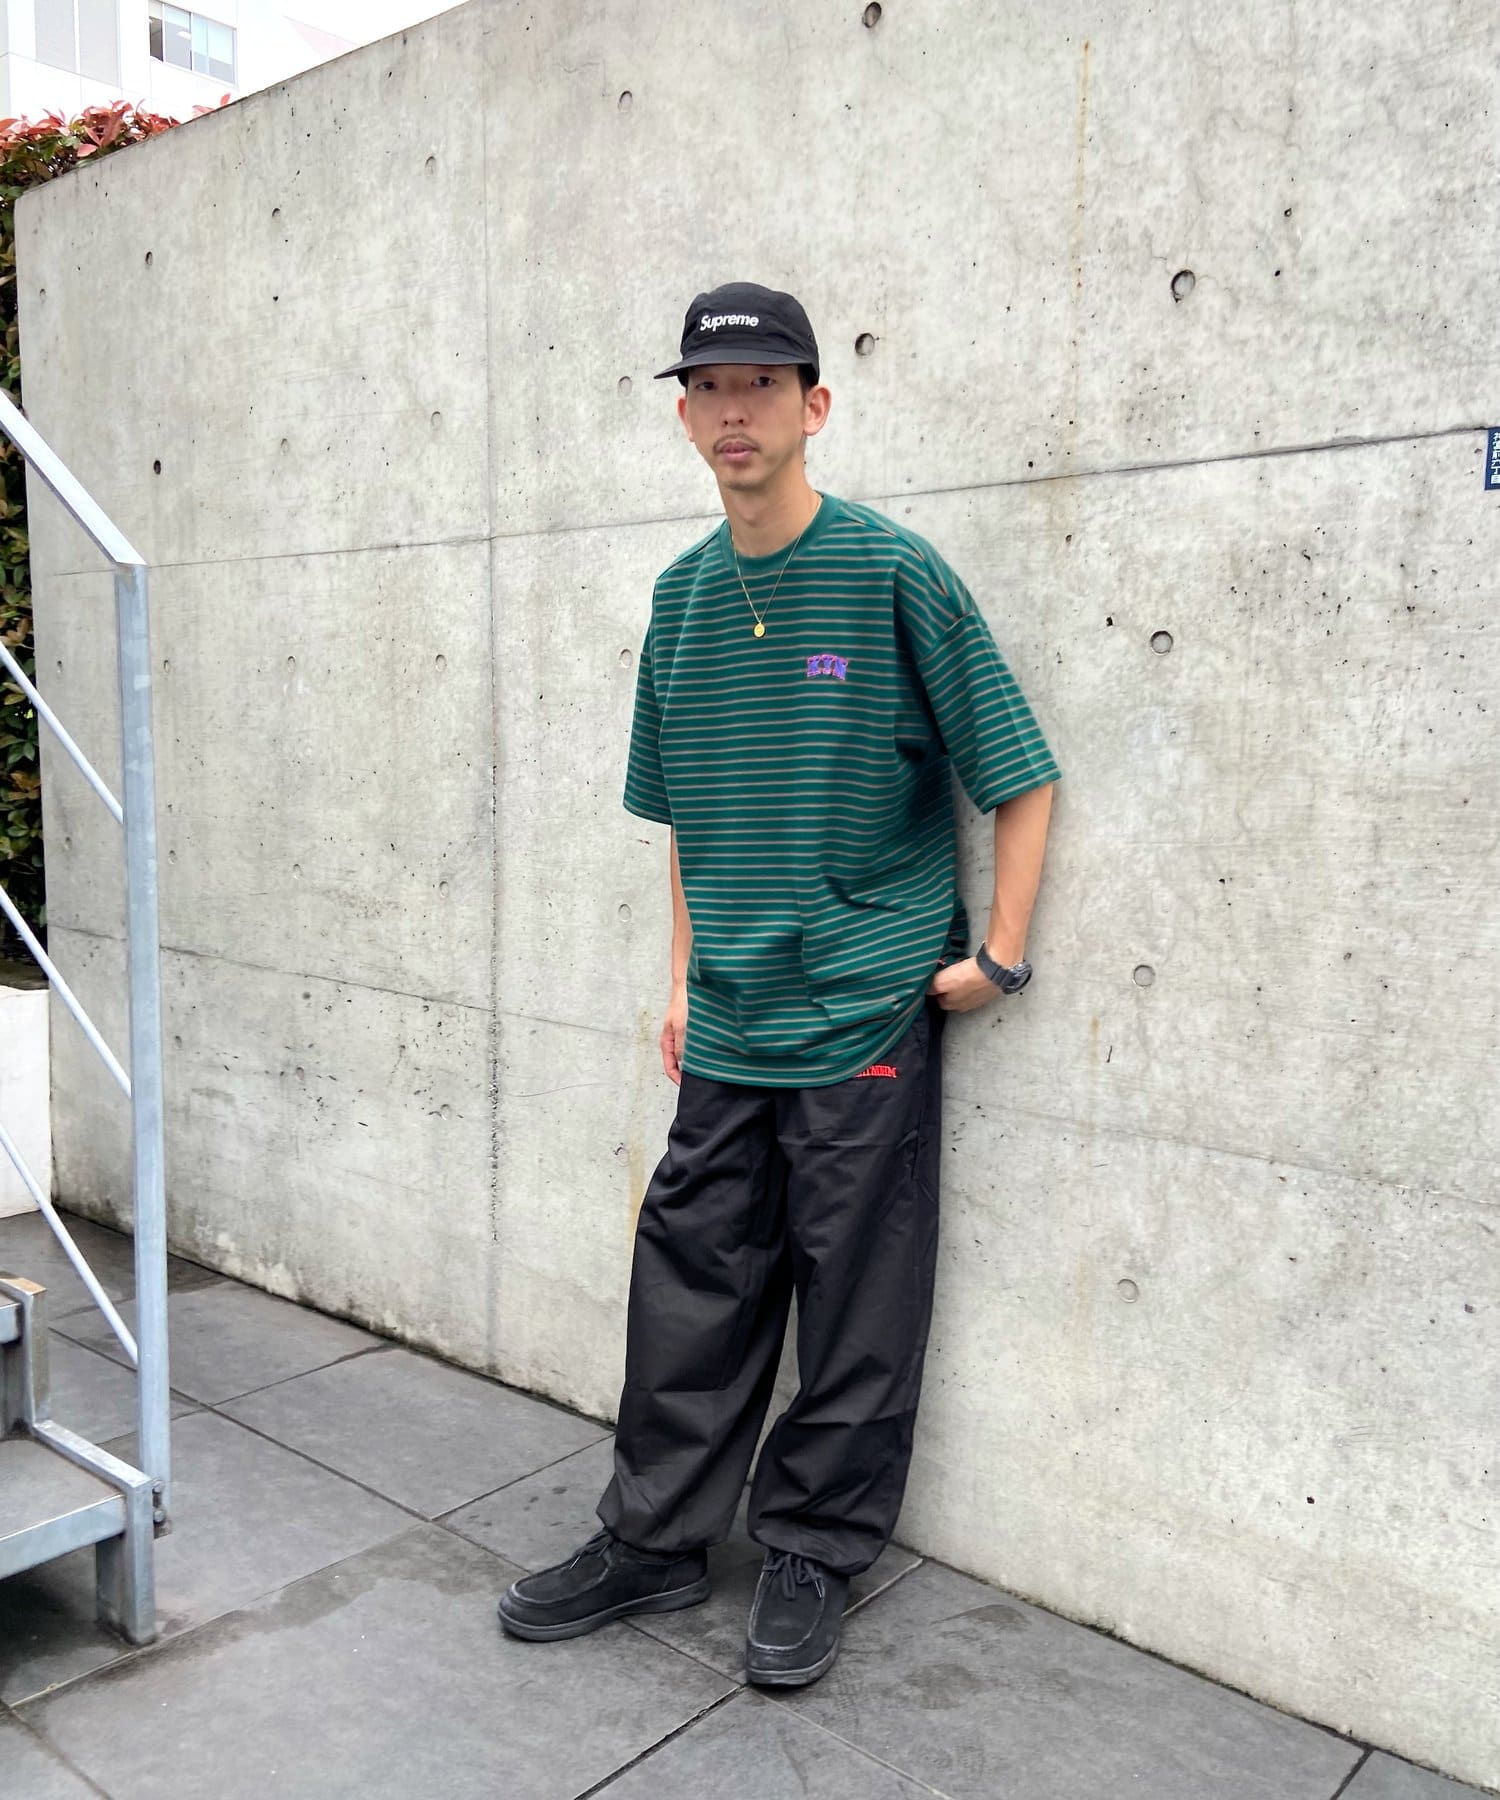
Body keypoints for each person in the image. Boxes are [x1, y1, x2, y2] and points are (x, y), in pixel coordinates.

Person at [497, 281, 1060, 1687]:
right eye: (707, 388)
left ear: (815, 405)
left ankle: (813, 1549)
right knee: (690, 1282)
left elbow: (1019, 771)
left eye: (760, 385)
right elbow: (689, 822)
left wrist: (999, 953)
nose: (731, 410)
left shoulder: (893, 573)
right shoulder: (681, 598)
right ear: (684, 417)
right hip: (733, 1017)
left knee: (856, 1298)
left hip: (866, 1007)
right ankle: (656, 1539)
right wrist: (683, 982)